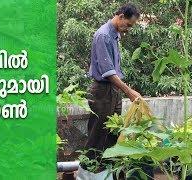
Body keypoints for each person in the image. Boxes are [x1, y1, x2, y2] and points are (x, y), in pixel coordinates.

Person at [80, 3, 144, 178]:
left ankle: (108, 174)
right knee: (97, 135)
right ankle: (86, 175)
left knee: (113, 134)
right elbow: (108, 73)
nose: (128, 29)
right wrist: (129, 92)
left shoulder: (115, 35)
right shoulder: (104, 35)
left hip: (113, 91)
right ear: (121, 16)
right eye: (128, 25)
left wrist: (124, 91)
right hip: (102, 91)